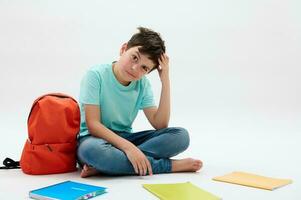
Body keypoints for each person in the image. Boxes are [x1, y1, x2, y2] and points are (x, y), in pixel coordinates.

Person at [77, 27, 202, 177]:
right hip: (95, 139)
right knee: (91, 151)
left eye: (144, 68)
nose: (135, 68)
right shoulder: (95, 75)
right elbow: (93, 125)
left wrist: (165, 80)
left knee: (181, 136)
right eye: (134, 57)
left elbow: (160, 124)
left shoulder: (142, 84)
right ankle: (169, 166)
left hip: (126, 138)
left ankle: (110, 165)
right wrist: (129, 149)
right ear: (124, 49)